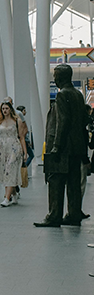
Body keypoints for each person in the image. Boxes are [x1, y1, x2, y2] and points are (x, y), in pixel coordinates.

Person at [37, 64, 88, 227]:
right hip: (76, 147)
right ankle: (74, 214)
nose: (55, 79)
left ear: (61, 77)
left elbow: (62, 122)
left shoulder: (62, 95)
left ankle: (54, 216)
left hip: (63, 147)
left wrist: (56, 147)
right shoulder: (78, 94)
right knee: (73, 182)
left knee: (56, 181)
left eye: (56, 76)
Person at [0, 102, 26, 208]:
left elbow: (21, 137)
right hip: (2, 148)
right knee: (5, 172)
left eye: (7, 108)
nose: (5, 110)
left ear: (10, 109)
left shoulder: (17, 121)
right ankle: (14, 194)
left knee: (10, 169)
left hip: (14, 147)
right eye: (3, 108)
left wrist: (25, 152)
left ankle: (7, 197)